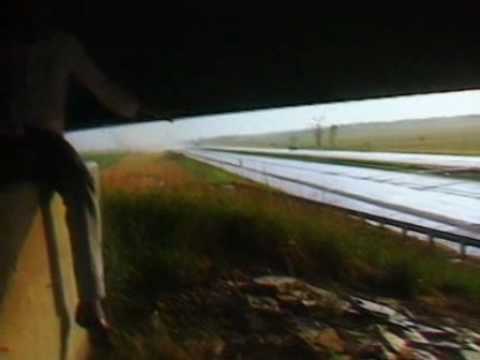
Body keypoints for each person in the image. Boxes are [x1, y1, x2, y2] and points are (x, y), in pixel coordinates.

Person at [1, 5, 167, 340]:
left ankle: (90, 301)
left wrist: (138, 108)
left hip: (48, 142)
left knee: (81, 186)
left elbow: (101, 85)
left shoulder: (63, 45)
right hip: (11, 143)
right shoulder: (6, 48)